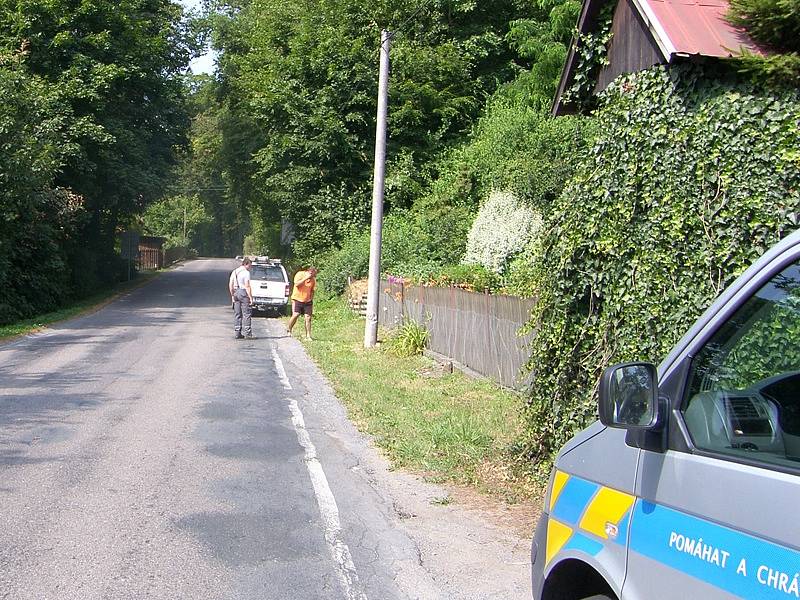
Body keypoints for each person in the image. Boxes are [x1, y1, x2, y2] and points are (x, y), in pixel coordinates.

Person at [287, 267, 317, 340]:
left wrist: (311, 298)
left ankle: (308, 335)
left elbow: (312, 290)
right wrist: (305, 278)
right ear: (309, 272)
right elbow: (297, 284)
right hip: (297, 298)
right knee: (295, 315)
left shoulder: (313, 280)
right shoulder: (300, 274)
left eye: (314, 275)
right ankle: (289, 329)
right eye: (313, 274)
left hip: (307, 300)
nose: (314, 276)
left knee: (308, 318)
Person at [230, 257, 255, 339]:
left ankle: (237, 333)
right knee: (247, 314)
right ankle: (248, 333)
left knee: (237, 314)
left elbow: (230, 284)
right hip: (243, 292)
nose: (250, 268)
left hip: (236, 292)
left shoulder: (235, 271)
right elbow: (247, 286)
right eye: (250, 266)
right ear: (245, 264)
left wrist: (232, 295)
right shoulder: (246, 273)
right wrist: (251, 298)